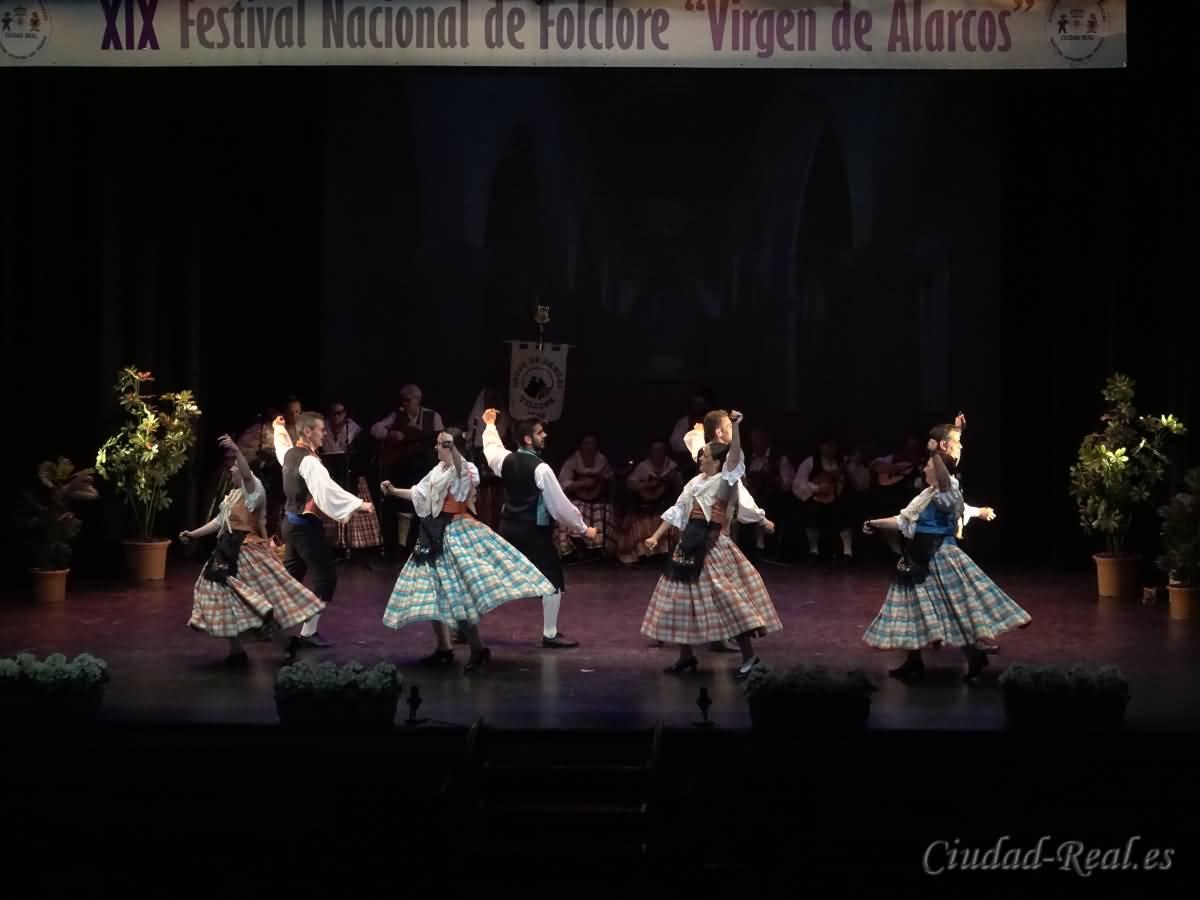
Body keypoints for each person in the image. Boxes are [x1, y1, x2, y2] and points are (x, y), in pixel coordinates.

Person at [380, 428, 555, 672]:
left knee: (457, 593)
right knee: (434, 589)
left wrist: (453, 449)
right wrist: (394, 491)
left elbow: (463, 474)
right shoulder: (437, 471)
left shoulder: (465, 469)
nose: (436, 448)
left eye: (441, 444)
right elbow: (420, 494)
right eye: (438, 444)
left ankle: (478, 649)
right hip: (434, 532)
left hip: (456, 530)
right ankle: (444, 648)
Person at [861, 450, 1030, 682]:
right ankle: (913, 661)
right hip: (918, 556)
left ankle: (975, 656)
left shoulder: (947, 492)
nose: (925, 468)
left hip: (940, 555)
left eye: (929, 465)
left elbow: (945, 479)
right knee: (912, 608)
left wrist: (935, 453)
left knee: (954, 608)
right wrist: (874, 523)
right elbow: (903, 520)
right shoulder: (926, 495)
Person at [642, 411, 782, 678]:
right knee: (680, 600)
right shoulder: (695, 482)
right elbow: (677, 510)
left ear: (718, 462)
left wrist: (737, 427)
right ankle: (686, 656)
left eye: (705, 455)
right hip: (688, 545)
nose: (700, 458)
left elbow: (734, 458)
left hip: (712, 545)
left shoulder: (724, 481)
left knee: (729, 601)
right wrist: (656, 536)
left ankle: (749, 656)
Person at [181, 435, 324, 665]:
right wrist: (193, 534)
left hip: (246, 552)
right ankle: (236, 651)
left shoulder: (254, 489)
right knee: (223, 598)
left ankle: (285, 643)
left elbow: (247, 475)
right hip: (226, 551)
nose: (231, 470)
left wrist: (237, 450)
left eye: (234, 466)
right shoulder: (235, 494)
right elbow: (219, 521)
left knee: (258, 604)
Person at [481, 408, 597, 649]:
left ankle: (462, 626)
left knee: (493, 578)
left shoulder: (505, 460)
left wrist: (490, 425)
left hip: (508, 528)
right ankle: (550, 634)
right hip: (533, 532)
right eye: (539, 432)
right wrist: (583, 529)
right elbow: (559, 506)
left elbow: (491, 449)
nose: (544, 436)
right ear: (527, 439)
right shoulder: (541, 469)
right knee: (552, 579)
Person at [273, 412, 374, 651]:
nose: (324, 433)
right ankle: (308, 632)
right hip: (304, 527)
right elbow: (327, 491)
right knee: (325, 577)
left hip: (290, 525)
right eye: (320, 429)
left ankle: (266, 623)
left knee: (290, 578)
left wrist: (279, 429)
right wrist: (359, 504)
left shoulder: (291, 454)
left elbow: (281, 446)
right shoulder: (310, 462)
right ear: (308, 432)